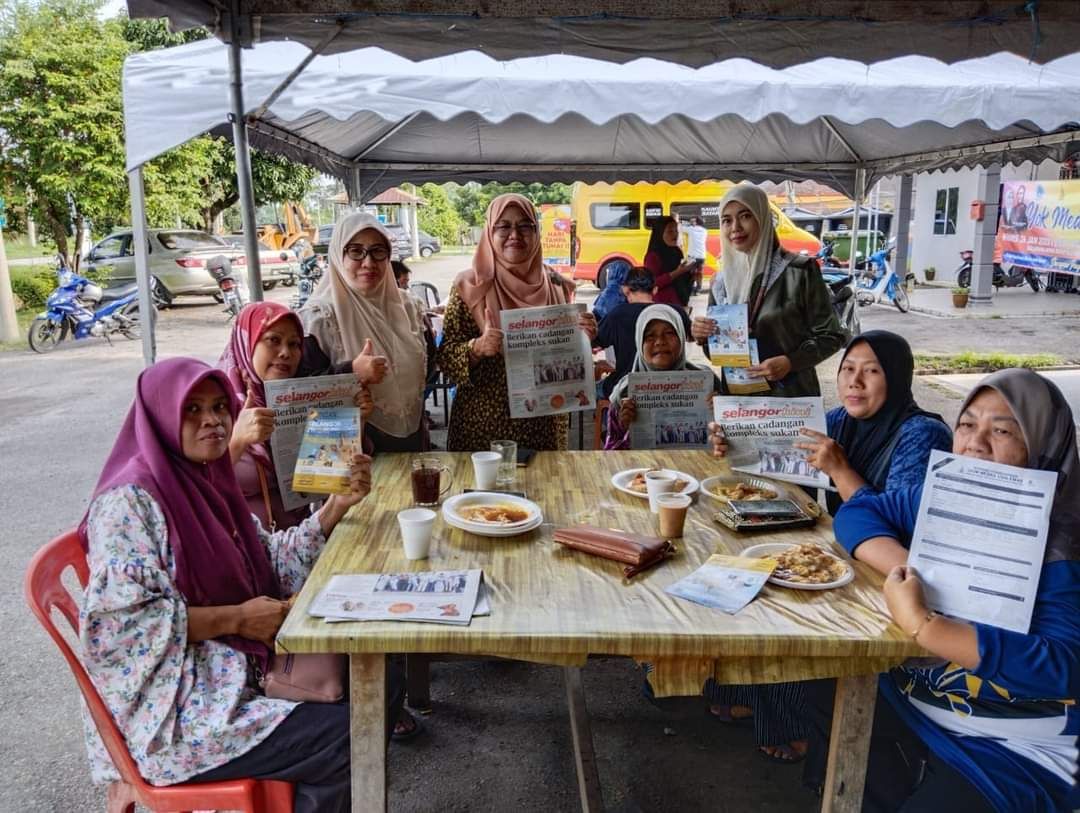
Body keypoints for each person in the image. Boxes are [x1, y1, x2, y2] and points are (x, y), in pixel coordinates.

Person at [78, 358, 402, 813]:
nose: (211, 420)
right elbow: (122, 629)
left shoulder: (205, 481)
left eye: (218, 407)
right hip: (174, 712)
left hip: (231, 666)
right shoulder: (129, 505)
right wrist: (238, 618)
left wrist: (335, 507)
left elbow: (268, 557)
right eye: (191, 410)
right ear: (158, 419)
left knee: (384, 672)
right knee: (350, 736)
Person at [804, 369, 1080, 812]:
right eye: (968, 424)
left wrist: (925, 625)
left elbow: (1062, 666)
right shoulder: (945, 499)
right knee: (814, 684)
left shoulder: (1064, 547)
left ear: (1044, 446)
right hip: (922, 697)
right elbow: (860, 513)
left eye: (1004, 431)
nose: (976, 443)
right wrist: (908, 567)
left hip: (1011, 741)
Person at [703, 330, 953, 762]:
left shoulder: (922, 433)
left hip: (898, 576)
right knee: (749, 584)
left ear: (896, 377)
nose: (855, 382)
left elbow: (900, 519)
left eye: (872, 371)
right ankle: (750, 697)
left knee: (788, 614)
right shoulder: (838, 421)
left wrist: (840, 469)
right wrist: (733, 442)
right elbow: (774, 458)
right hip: (845, 558)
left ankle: (799, 730)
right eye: (848, 370)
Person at [437, 193, 597, 451]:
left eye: (525, 225)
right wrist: (477, 348)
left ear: (536, 232)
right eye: (504, 226)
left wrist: (584, 336)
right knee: (484, 492)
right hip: (484, 430)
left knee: (546, 490)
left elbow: (567, 354)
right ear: (490, 231)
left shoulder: (557, 284)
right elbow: (444, 359)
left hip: (545, 427)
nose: (515, 234)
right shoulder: (470, 286)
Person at [219, 301, 376, 531]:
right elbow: (194, 489)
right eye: (273, 340)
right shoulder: (215, 407)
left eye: (294, 344)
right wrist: (238, 442)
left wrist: (356, 420)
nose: (285, 353)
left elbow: (329, 475)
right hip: (245, 547)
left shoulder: (301, 399)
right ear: (247, 343)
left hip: (304, 537)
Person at [691, 184, 847, 397]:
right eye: (726, 220)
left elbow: (832, 336)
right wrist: (704, 337)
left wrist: (791, 362)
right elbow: (720, 355)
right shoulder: (721, 281)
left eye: (745, 216)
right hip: (740, 403)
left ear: (763, 219)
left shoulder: (799, 271)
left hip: (790, 401)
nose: (735, 227)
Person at [299, 213, 436, 453]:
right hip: (353, 452)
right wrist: (352, 372)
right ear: (338, 255)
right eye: (355, 251)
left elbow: (430, 364)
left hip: (412, 441)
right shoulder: (319, 317)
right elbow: (300, 391)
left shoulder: (409, 308)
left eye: (377, 251)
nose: (368, 262)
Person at [604, 305, 720, 450]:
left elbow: (728, 443)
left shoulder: (708, 383)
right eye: (650, 336)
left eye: (669, 333)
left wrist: (720, 413)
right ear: (639, 343)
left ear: (681, 337)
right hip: (643, 470)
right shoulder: (624, 392)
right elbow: (610, 452)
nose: (660, 341)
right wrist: (626, 428)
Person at [594, 266, 692, 400]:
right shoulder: (675, 312)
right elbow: (693, 337)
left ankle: (611, 419)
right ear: (655, 290)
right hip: (673, 386)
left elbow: (594, 341)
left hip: (626, 387)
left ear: (625, 290)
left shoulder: (618, 314)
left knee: (591, 391)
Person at [644, 215, 696, 309]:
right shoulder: (652, 256)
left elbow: (682, 278)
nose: (675, 234)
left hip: (680, 303)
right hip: (662, 307)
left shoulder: (676, 251)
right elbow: (652, 283)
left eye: (676, 231)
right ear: (660, 233)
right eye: (670, 231)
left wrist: (691, 273)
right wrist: (677, 272)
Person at [678, 215, 708, 292]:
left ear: (696, 222)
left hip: (692, 256)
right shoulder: (705, 231)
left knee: (691, 273)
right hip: (702, 256)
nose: (691, 222)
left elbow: (680, 227)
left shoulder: (691, 229)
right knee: (699, 273)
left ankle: (690, 288)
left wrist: (686, 223)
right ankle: (698, 288)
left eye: (693, 221)